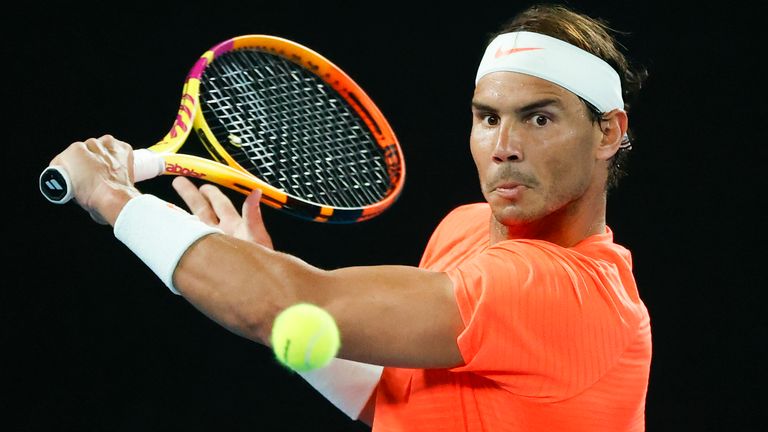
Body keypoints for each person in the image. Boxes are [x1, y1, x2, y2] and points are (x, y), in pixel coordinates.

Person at [46, 3, 651, 431]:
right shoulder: (465, 229)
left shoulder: (560, 292)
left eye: (539, 118)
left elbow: (278, 307)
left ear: (608, 133)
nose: (504, 145)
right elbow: (391, 401)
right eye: (488, 117)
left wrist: (116, 200)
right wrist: (259, 267)